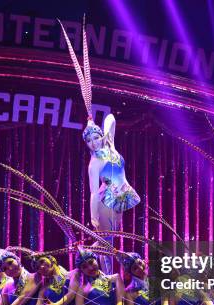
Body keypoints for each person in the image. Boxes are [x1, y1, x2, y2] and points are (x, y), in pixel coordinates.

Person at [59, 17, 140, 273]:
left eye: (95, 137)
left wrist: (96, 123)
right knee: (107, 240)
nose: (94, 141)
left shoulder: (111, 147)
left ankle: (104, 267)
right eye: (90, 139)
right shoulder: (94, 162)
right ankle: (104, 272)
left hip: (120, 194)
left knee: (113, 240)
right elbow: (94, 192)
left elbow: (113, 119)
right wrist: (93, 215)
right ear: (86, 144)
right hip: (105, 201)